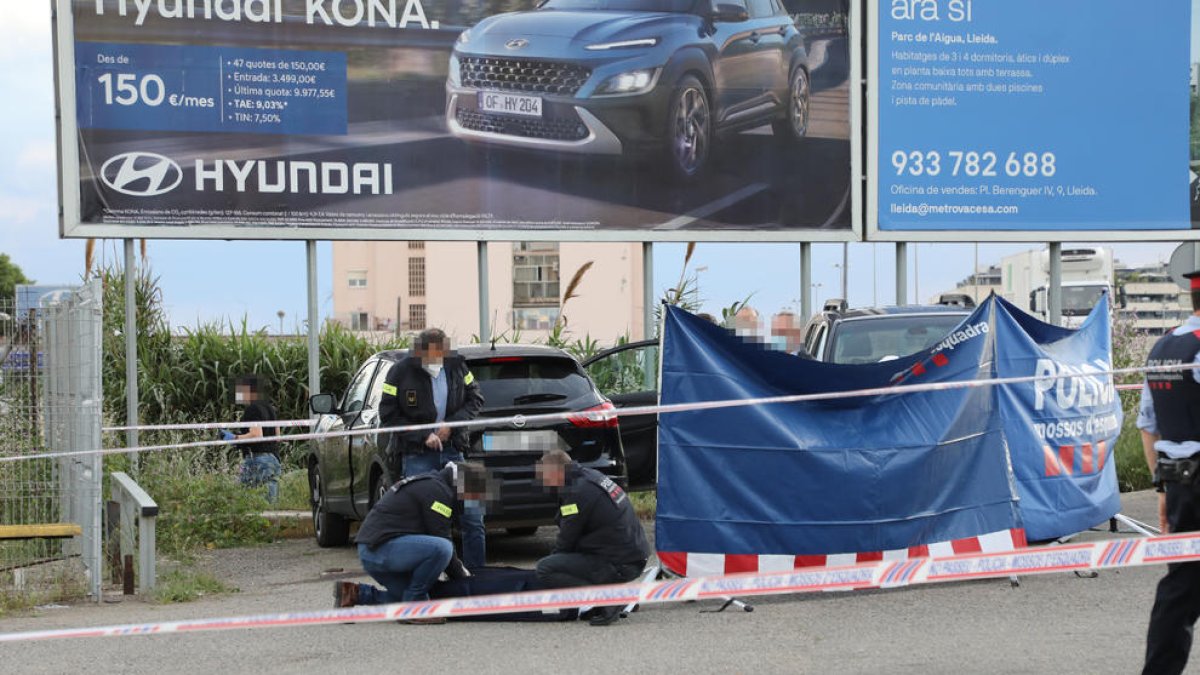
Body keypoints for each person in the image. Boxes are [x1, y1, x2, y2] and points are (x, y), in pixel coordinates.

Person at [378, 328, 486, 570]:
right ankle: (428, 575)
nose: (437, 361)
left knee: (474, 516)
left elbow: (476, 398)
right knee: (421, 519)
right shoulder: (399, 371)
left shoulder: (457, 365)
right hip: (417, 455)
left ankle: (479, 576)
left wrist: (453, 424)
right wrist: (422, 434)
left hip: (455, 450)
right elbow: (387, 414)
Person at [333, 462, 489, 624]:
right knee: (443, 548)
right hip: (381, 549)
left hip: (374, 549)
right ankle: (415, 607)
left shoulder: (435, 484)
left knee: (420, 599)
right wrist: (463, 577)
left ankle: (354, 593)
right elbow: (442, 538)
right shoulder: (437, 492)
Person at [1139, 270, 1200, 675]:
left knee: (1181, 588)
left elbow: (1149, 425)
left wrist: (1162, 486)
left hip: (1180, 481)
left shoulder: (1163, 346)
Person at [534, 449, 651, 626]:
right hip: (632, 556)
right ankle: (614, 597)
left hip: (621, 563)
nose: (542, 480)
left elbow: (566, 540)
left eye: (544, 475)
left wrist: (554, 561)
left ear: (557, 472)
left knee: (545, 568)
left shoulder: (576, 493)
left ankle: (608, 599)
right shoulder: (590, 476)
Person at [221, 375, 281, 504]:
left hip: (257, 459)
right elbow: (277, 436)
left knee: (240, 498)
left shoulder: (252, 409)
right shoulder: (270, 408)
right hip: (273, 460)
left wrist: (234, 438)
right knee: (270, 504)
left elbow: (256, 435)